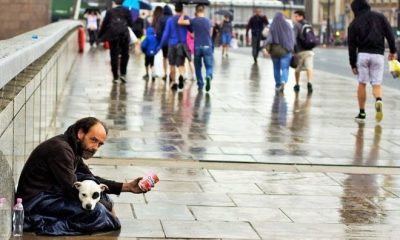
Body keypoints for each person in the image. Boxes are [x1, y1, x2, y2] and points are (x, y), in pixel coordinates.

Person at [16, 117, 147, 235]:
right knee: (98, 213)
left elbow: (91, 179)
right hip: (35, 202)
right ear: (80, 133)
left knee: (99, 194)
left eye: (99, 144)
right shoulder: (61, 149)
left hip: (52, 193)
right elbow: (72, 189)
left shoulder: (74, 148)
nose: (95, 147)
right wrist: (107, 206)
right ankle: (46, 225)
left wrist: (127, 187)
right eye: (93, 140)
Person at [348, 0, 396, 122]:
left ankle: (362, 113)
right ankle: (378, 100)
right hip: (378, 55)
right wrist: (392, 51)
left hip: (363, 54)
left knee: (362, 83)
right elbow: (390, 34)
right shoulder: (380, 17)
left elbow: (352, 46)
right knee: (376, 84)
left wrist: (353, 64)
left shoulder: (354, 23)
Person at [157, 3, 191, 91]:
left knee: (171, 64)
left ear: (174, 10)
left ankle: (174, 82)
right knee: (181, 64)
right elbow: (191, 30)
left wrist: (160, 45)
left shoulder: (170, 20)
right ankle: (181, 76)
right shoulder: (185, 18)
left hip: (172, 44)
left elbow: (165, 34)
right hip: (182, 44)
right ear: (182, 9)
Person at [178, 4, 213, 91]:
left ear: (196, 11)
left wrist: (183, 13)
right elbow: (210, 34)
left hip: (197, 46)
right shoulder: (208, 21)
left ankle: (200, 84)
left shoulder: (193, 20)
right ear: (203, 11)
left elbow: (180, 22)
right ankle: (208, 76)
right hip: (207, 46)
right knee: (209, 66)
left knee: (198, 67)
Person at [98, 0, 134, 83]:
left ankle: (115, 77)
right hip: (124, 35)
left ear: (114, 2)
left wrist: (99, 36)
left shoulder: (110, 11)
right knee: (125, 54)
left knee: (113, 55)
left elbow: (104, 25)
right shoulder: (127, 10)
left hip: (113, 35)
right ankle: (123, 74)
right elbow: (131, 24)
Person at [265, 12, 294, 92]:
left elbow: (269, 39)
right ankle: (283, 81)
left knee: (276, 68)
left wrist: (267, 49)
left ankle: (278, 85)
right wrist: (291, 48)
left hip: (274, 51)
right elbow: (291, 38)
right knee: (285, 68)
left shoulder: (272, 27)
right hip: (285, 50)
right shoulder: (287, 26)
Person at [293, 10, 314, 93]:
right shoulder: (309, 25)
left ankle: (297, 84)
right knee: (309, 67)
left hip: (300, 51)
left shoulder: (297, 25)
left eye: (296, 16)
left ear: (301, 16)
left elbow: (293, 38)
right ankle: (309, 82)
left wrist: (293, 49)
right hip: (309, 50)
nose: (295, 18)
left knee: (297, 69)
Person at [156, 5, 174, 81]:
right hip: (172, 41)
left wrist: (160, 41)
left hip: (164, 41)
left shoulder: (161, 19)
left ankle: (165, 73)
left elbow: (158, 31)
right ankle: (171, 73)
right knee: (171, 58)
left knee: (165, 57)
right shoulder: (172, 18)